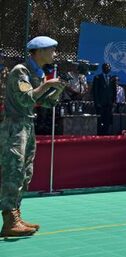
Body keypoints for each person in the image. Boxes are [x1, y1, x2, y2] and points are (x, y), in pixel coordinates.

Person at [1, 36, 66, 237]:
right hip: (15, 126)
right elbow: (25, 99)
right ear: (39, 51)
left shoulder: (35, 73)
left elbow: (44, 103)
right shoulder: (21, 71)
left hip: (27, 125)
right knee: (14, 169)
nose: (54, 54)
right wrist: (47, 86)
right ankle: (9, 219)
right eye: (51, 50)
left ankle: (15, 215)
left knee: (25, 171)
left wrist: (55, 91)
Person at [92, 63, 115, 135]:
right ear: (102, 68)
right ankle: (99, 133)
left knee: (107, 119)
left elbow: (114, 91)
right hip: (100, 103)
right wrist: (97, 102)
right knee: (99, 119)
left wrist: (114, 101)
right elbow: (95, 91)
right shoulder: (97, 77)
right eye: (106, 67)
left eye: (108, 67)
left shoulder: (112, 78)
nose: (107, 68)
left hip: (109, 103)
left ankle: (106, 133)